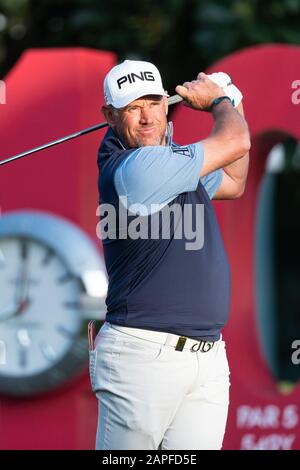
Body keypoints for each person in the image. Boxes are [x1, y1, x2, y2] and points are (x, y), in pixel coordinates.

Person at [89, 59, 250, 450]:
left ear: (167, 102)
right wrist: (221, 100)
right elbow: (236, 143)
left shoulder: (175, 161)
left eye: (153, 102)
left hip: (206, 356)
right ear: (109, 116)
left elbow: (233, 179)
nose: (147, 117)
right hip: (141, 357)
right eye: (132, 108)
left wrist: (235, 102)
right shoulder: (133, 168)